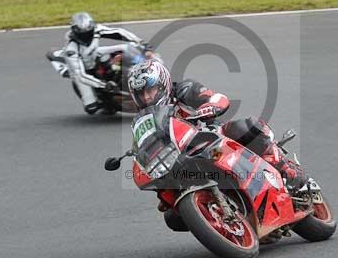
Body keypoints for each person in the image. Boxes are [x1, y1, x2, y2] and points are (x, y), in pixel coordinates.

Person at [127, 59, 308, 193]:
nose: (147, 98)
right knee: (172, 216)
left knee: (248, 127)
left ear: (162, 85)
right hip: (181, 158)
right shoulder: (145, 120)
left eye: (149, 91)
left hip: (214, 138)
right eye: (140, 94)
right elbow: (144, 144)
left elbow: (216, 98)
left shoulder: (184, 89)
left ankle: (285, 168)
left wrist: (208, 109)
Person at [61, 11, 153, 114]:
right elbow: (80, 75)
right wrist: (104, 85)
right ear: (75, 32)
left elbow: (119, 32)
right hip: (80, 68)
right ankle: (107, 104)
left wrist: (142, 44)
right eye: (83, 34)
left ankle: (146, 65)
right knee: (91, 107)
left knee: (125, 47)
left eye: (89, 32)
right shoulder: (71, 49)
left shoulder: (96, 30)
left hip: (94, 54)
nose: (86, 36)